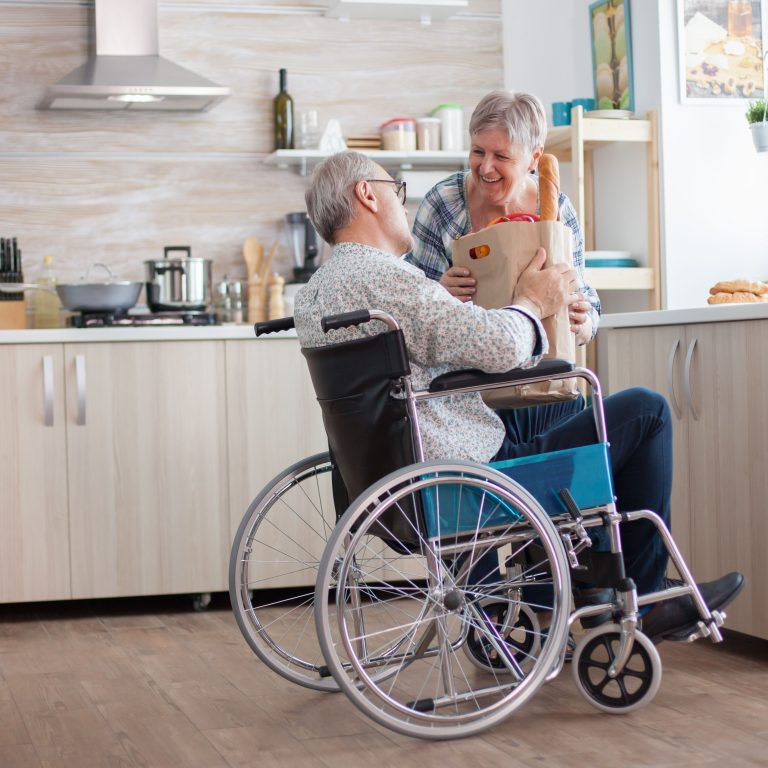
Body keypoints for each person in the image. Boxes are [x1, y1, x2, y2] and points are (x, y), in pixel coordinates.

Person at [294, 150, 744, 642]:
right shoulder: (388, 278)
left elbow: (434, 354)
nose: (404, 203)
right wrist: (533, 299)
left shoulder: (316, 292)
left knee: (562, 412)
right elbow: (499, 345)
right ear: (367, 194)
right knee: (646, 410)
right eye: (396, 191)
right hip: (465, 480)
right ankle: (641, 597)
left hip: (391, 481)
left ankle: (574, 592)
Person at [406, 90, 596, 442]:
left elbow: (588, 303)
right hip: (467, 400)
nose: (485, 167)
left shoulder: (557, 212)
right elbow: (410, 312)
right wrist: (438, 292)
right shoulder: (444, 204)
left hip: (546, 389)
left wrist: (583, 321)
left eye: (501, 156)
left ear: (533, 158)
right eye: (478, 151)